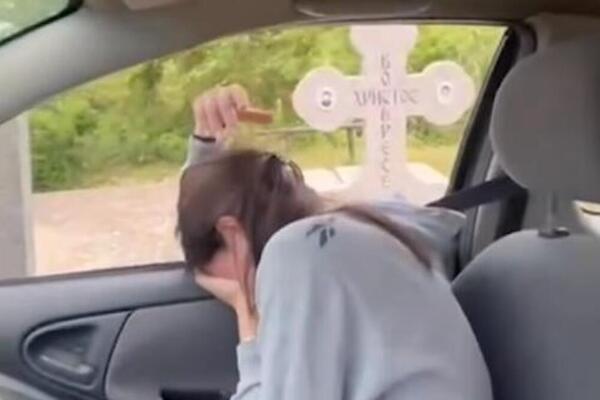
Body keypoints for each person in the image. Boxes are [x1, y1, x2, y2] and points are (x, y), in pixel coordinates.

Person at [177, 85, 492, 400]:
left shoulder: (299, 253)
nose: (228, 285)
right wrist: (206, 148)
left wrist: (246, 316)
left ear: (230, 233)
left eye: (217, 275)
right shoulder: (357, 235)